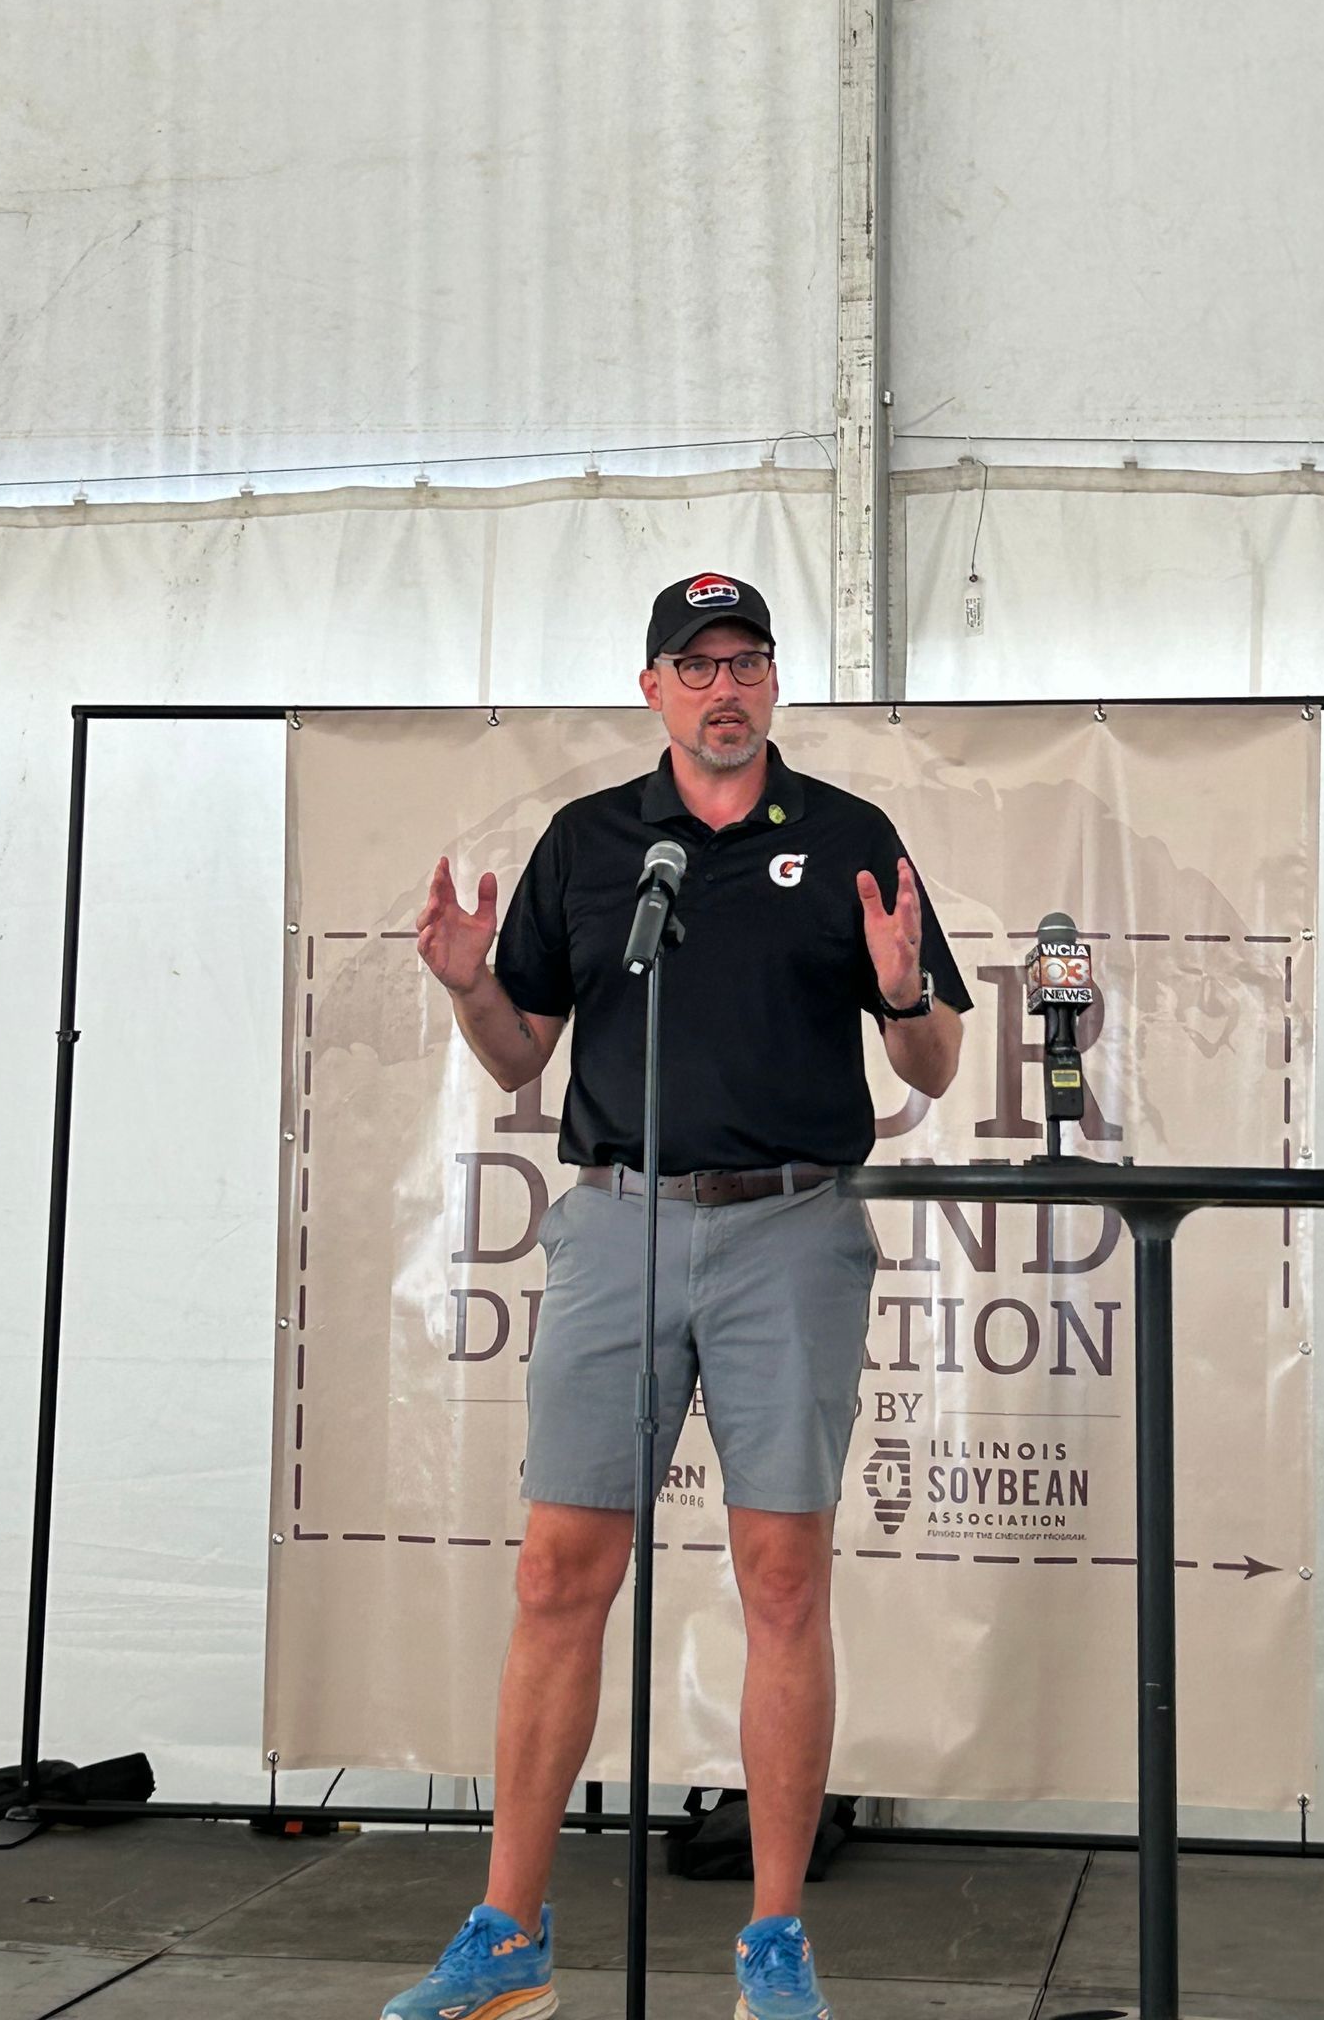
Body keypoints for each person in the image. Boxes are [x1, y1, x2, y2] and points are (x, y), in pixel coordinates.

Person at [386, 572, 973, 2020]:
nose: (726, 688)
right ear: (651, 686)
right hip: (617, 1225)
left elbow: (935, 1063)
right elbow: (521, 1053)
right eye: (697, 665)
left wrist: (905, 992)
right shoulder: (595, 845)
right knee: (556, 1576)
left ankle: (775, 1943)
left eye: (748, 662)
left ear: (774, 682)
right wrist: (467, 986)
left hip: (792, 1228)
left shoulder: (849, 836)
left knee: (784, 1580)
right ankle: (508, 1940)